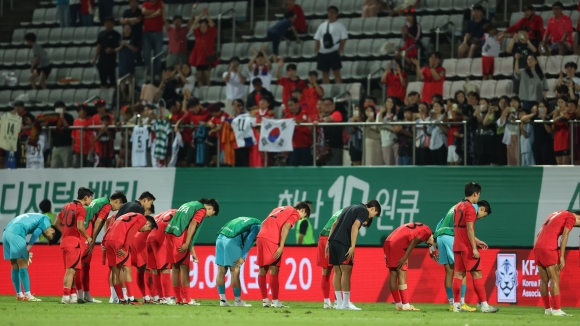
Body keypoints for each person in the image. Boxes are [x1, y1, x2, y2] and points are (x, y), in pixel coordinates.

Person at [451, 182, 498, 313]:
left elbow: (461, 229)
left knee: (459, 274)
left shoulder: (458, 206)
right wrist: (474, 248)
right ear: (475, 194)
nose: (478, 197)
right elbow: (469, 229)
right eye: (478, 195)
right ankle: (484, 305)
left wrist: (477, 241)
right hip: (467, 247)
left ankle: (456, 306)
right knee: (477, 273)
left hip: (457, 245)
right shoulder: (470, 208)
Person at [433, 202, 489, 312]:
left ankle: (452, 303)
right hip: (451, 236)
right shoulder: (470, 208)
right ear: (482, 209)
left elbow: (440, 222)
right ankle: (461, 303)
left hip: (440, 236)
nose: (481, 218)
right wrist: (474, 244)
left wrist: (434, 243)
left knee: (449, 272)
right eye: (484, 215)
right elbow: (466, 229)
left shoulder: (456, 206)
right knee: (461, 271)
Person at [164, 198, 220, 305]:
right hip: (180, 237)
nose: (207, 216)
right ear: (210, 208)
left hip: (170, 233)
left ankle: (179, 299)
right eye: (211, 214)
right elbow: (193, 224)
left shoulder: (189, 204)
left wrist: (192, 250)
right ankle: (188, 299)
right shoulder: (202, 209)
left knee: (175, 268)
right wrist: (186, 243)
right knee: (185, 268)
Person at [326, 201, 380, 310]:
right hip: (344, 243)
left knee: (337, 272)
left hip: (333, 242)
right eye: (375, 214)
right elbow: (355, 227)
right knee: (346, 272)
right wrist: (352, 246)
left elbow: (334, 224)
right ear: (373, 209)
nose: (372, 216)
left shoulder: (348, 208)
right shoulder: (364, 211)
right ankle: (346, 304)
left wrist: (328, 241)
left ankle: (340, 304)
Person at [256, 202, 311, 308]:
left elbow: (263, 223)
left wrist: (262, 236)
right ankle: (275, 302)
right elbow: (286, 227)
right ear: (302, 210)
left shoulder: (280, 208)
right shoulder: (294, 212)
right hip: (272, 239)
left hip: (261, 236)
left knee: (262, 270)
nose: (299, 219)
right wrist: (281, 246)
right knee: (274, 269)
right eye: (302, 217)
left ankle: (265, 300)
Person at [79, 192, 127, 303]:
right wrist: (93, 239)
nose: (117, 209)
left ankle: (84, 295)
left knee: (84, 265)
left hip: (82, 227)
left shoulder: (100, 201)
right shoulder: (107, 205)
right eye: (119, 206)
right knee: (80, 264)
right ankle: (76, 295)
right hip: (85, 229)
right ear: (117, 201)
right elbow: (99, 221)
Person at [3, 213, 61, 302]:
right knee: (23, 264)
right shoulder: (46, 219)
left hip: (6, 233)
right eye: (48, 237)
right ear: (52, 230)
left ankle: (19, 294)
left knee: (15, 265)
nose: (45, 236)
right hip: (16, 233)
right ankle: (28, 294)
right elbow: (36, 233)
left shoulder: (38, 217)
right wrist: (28, 249)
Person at [103, 211, 157, 305]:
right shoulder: (142, 218)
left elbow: (111, 226)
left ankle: (121, 299)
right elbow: (132, 231)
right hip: (119, 241)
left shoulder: (125, 215)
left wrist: (103, 241)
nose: (145, 231)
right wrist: (125, 247)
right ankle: (131, 299)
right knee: (127, 270)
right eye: (148, 228)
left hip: (108, 240)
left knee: (115, 271)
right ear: (147, 223)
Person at [533, 210, 580, 316]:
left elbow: (538, 233)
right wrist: (562, 256)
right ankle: (557, 309)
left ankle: (548, 310)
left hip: (537, 247)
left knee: (544, 280)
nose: (575, 226)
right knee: (554, 279)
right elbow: (565, 236)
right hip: (549, 248)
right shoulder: (570, 217)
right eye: (578, 225)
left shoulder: (554, 214)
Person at [54, 187, 94, 304]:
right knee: (71, 271)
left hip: (64, 241)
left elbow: (57, 223)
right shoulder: (81, 209)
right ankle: (65, 297)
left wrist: (66, 233)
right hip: (74, 242)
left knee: (71, 271)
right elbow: (80, 226)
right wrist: (88, 237)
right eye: (91, 198)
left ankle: (72, 296)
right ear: (85, 197)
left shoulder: (66, 206)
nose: (91, 200)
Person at [384, 222, 434, 311]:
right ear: (434, 235)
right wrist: (405, 257)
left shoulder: (421, 226)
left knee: (393, 273)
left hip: (388, 241)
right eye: (430, 244)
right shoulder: (428, 231)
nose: (427, 243)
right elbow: (414, 241)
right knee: (402, 273)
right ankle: (406, 305)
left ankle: (398, 304)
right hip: (398, 244)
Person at [215, 217, 261, 307]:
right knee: (235, 272)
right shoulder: (258, 226)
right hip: (232, 241)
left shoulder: (246, 221)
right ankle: (237, 301)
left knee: (221, 272)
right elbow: (250, 239)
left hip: (219, 239)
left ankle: (223, 301)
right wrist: (243, 256)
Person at [146, 209, 176, 304]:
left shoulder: (164, 213)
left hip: (150, 239)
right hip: (160, 240)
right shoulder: (179, 214)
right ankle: (167, 298)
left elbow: (153, 220)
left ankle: (159, 297)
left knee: (155, 270)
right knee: (165, 269)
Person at [314, 6, 348, 84]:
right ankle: (326, 91)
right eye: (329, 12)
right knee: (324, 74)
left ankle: (339, 89)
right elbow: (317, 38)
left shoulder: (340, 25)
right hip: (322, 52)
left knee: (336, 72)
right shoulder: (322, 25)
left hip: (333, 52)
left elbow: (344, 38)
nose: (331, 14)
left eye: (333, 12)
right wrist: (317, 51)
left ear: (337, 14)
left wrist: (339, 50)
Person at [317, 209, 342, 308]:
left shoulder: (340, 211)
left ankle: (326, 302)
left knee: (325, 272)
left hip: (322, 237)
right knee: (339, 271)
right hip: (332, 239)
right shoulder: (352, 213)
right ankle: (337, 301)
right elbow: (335, 224)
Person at [174, 98, 210, 167]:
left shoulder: (207, 113)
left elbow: (211, 123)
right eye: (192, 108)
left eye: (195, 107)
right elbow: (181, 120)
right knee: (190, 159)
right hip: (193, 141)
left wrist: (205, 124)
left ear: (199, 105)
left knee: (204, 160)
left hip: (204, 141)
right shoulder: (190, 114)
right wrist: (176, 126)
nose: (194, 109)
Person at [131, 205, 156, 303]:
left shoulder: (136, 221)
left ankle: (146, 297)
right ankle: (153, 296)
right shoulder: (147, 224)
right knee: (148, 270)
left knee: (140, 271)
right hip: (140, 250)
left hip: (133, 249)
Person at [521, 100, 557, 165]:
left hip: (546, 144)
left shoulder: (549, 117)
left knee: (546, 162)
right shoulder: (535, 117)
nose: (542, 108)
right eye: (540, 107)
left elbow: (549, 131)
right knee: (538, 163)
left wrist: (543, 119)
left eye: (543, 107)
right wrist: (533, 114)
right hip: (536, 144)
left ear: (547, 108)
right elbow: (523, 119)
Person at [189, 7, 218, 86]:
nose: (203, 28)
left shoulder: (211, 34)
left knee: (207, 77)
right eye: (201, 26)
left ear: (207, 27)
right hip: (199, 60)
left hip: (207, 60)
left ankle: (207, 93)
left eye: (204, 26)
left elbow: (212, 23)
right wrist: (201, 15)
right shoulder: (198, 35)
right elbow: (195, 23)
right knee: (200, 78)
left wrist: (206, 15)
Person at [506, 26, 538, 95]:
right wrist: (513, 40)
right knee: (517, 92)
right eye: (520, 32)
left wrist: (527, 41)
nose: (522, 34)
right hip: (518, 71)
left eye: (524, 32)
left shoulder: (531, 42)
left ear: (527, 34)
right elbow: (508, 50)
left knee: (529, 91)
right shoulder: (516, 44)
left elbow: (534, 50)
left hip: (528, 72)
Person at [92, 16, 121, 89]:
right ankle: (103, 96)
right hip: (102, 60)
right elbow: (98, 46)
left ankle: (114, 96)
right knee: (102, 80)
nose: (108, 24)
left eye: (110, 23)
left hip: (111, 60)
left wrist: (112, 50)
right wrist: (95, 58)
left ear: (113, 24)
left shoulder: (116, 35)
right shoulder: (101, 34)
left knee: (112, 79)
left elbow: (119, 48)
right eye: (106, 23)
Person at [313, 98, 344, 166]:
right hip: (326, 148)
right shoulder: (323, 116)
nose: (326, 106)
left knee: (335, 169)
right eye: (324, 104)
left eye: (328, 104)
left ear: (333, 105)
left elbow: (329, 119)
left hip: (335, 147)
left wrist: (319, 122)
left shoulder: (337, 113)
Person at [285, 97, 313, 166]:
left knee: (306, 168)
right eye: (288, 105)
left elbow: (308, 128)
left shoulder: (305, 114)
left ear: (297, 104)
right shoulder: (287, 116)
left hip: (305, 146)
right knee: (293, 169)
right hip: (293, 147)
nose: (290, 107)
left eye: (291, 105)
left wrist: (298, 122)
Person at [142, 0, 164, 80]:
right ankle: (148, 74)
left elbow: (159, 12)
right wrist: (154, 12)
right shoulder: (145, 3)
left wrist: (148, 16)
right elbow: (144, 11)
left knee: (158, 54)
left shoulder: (160, 3)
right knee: (146, 54)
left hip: (158, 32)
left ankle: (157, 73)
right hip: (146, 33)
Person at [116, 25, 139, 102]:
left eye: (128, 28)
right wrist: (122, 45)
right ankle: (123, 96)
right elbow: (116, 50)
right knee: (122, 80)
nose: (127, 30)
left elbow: (135, 49)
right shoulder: (120, 38)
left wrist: (127, 45)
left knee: (130, 79)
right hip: (122, 61)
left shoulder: (134, 38)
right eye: (125, 28)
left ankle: (130, 97)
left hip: (130, 61)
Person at [551, 97, 576, 165]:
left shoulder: (568, 112)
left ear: (566, 103)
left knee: (565, 164)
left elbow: (567, 117)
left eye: (562, 102)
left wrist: (561, 115)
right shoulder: (556, 114)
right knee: (559, 164)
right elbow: (553, 125)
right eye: (558, 102)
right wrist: (557, 114)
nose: (560, 104)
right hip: (557, 142)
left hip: (565, 142)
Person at [49, 101, 75, 168]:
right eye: (57, 107)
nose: (59, 109)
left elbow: (67, 126)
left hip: (66, 146)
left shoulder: (69, 116)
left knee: (67, 166)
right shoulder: (53, 117)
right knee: (54, 166)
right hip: (56, 146)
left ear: (64, 108)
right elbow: (46, 125)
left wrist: (62, 118)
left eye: (60, 107)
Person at [71, 104, 93, 168]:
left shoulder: (90, 120)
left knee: (87, 165)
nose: (82, 112)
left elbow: (92, 134)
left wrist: (93, 147)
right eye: (80, 110)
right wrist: (72, 146)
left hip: (87, 147)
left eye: (84, 110)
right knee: (78, 165)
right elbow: (73, 135)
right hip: (78, 147)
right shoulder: (76, 121)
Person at [427, 101, 448, 165]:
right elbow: (428, 131)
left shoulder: (443, 117)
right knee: (434, 163)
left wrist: (439, 123)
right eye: (434, 106)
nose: (435, 108)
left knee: (442, 162)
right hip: (432, 143)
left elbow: (447, 130)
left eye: (437, 106)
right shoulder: (431, 119)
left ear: (442, 108)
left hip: (441, 142)